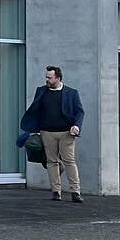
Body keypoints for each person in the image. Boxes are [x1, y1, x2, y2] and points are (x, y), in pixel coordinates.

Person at [20, 65, 86, 202]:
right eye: (46, 77)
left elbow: (79, 112)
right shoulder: (41, 91)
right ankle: (56, 191)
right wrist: (32, 128)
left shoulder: (71, 93)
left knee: (69, 161)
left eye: (49, 78)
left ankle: (76, 192)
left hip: (66, 132)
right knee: (51, 162)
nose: (47, 80)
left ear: (58, 78)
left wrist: (76, 126)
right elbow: (35, 110)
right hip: (46, 132)